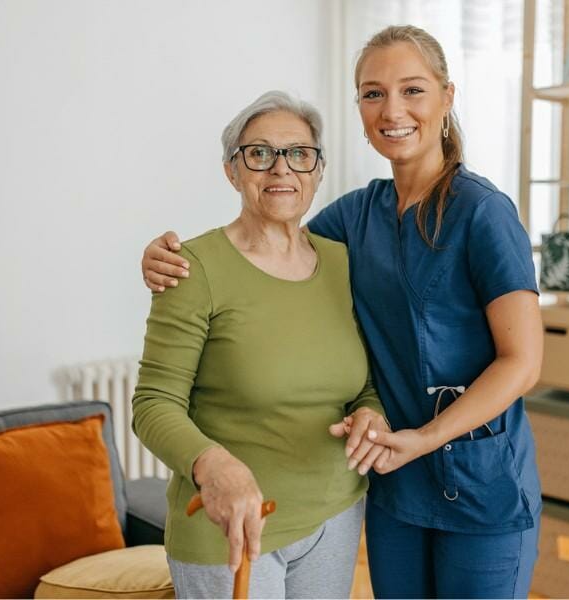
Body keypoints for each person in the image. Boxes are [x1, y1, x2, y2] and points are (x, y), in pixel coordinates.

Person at [141, 25, 543, 599]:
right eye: (373, 93)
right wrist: (164, 260)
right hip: (394, 488)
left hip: (478, 483)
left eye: (412, 90)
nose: (392, 109)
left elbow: (523, 363)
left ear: (447, 98)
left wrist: (425, 438)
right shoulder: (353, 219)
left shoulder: (484, 214)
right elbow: (271, 246)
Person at [131, 90, 390, 599]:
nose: (281, 169)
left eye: (298, 153)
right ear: (232, 170)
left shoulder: (343, 263)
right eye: (259, 153)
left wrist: (372, 414)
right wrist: (212, 465)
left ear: (317, 171)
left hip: (334, 512)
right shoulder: (192, 267)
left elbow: (363, 384)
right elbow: (153, 403)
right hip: (228, 526)